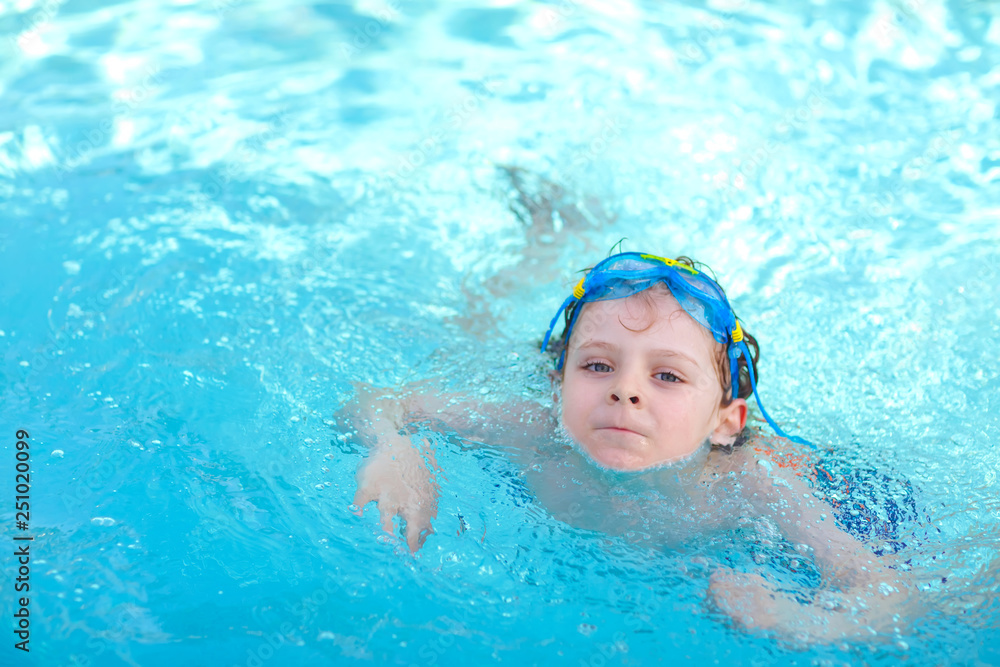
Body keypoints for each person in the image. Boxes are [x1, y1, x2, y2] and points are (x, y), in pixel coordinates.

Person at [346, 246, 920, 641]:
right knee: (470, 327)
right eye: (597, 365)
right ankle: (546, 235)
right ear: (558, 388)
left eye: (666, 376)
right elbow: (377, 398)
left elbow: (886, 590)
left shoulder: (750, 484)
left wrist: (798, 621)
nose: (625, 391)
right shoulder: (531, 430)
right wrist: (394, 449)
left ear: (725, 420)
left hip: (832, 480)